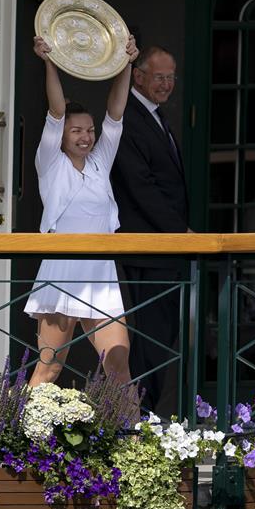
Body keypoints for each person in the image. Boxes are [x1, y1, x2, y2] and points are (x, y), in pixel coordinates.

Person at [24, 34, 139, 391]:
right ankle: (14, 439)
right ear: (61, 136)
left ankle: (134, 444)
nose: (86, 136)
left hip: (101, 271)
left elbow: (116, 114)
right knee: (49, 370)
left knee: (119, 364)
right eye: (76, 131)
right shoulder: (51, 162)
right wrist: (49, 62)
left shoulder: (100, 163)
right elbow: (56, 110)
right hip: (62, 269)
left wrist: (127, 63)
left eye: (89, 130)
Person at [110, 46, 190, 416]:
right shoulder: (130, 117)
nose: (167, 84)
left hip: (164, 246)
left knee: (160, 335)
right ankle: (144, 415)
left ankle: (146, 413)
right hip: (150, 246)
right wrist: (179, 232)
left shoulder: (154, 116)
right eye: (160, 76)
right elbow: (140, 186)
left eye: (171, 76)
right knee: (152, 337)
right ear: (138, 76)